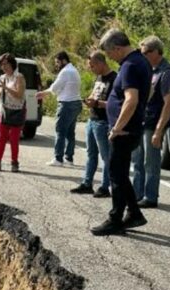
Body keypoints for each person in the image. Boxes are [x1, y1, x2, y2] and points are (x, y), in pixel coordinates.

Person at [90, 29, 152, 236]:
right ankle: (134, 213)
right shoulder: (139, 62)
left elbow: (131, 99)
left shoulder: (130, 66)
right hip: (129, 129)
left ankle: (115, 218)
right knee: (120, 174)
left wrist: (117, 127)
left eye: (109, 54)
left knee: (116, 175)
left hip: (123, 131)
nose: (110, 58)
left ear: (117, 48)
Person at [131, 35, 170, 209]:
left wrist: (159, 130)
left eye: (145, 53)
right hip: (142, 121)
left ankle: (150, 197)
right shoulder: (150, 69)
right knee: (137, 160)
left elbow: (169, 103)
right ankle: (137, 193)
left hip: (153, 123)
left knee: (150, 162)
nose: (142, 56)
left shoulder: (167, 72)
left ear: (156, 51)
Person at [70, 52, 117, 198]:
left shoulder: (114, 79)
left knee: (106, 157)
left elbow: (115, 104)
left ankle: (105, 186)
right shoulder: (99, 78)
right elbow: (94, 94)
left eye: (92, 66)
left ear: (101, 63)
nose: (91, 69)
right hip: (92, 120)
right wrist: (89, 100)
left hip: (104, 122)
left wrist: (97, 103)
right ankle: (87, 183)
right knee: (91, 154)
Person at [37, 51, 82, 167]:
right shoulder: (74, 70)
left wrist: (43, 93)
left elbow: (55, 88)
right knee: (70, 132)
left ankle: (58, 158)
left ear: (64, 60)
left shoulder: (65, 71)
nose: (56, 65)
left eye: (57, 62)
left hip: (66, 104)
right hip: (76, 103)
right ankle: (69, 158)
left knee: (60, 131)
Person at [0, 53, 26, 173]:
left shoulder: (19, 77)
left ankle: (14, 163)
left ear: (12, 64)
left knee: (14, 140)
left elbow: (19, 95)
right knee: (1, 139)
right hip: (4, 111)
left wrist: (6, 88)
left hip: (17, 111)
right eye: (2, 65)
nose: (4, 67)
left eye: (6, 64)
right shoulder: (2, 78)